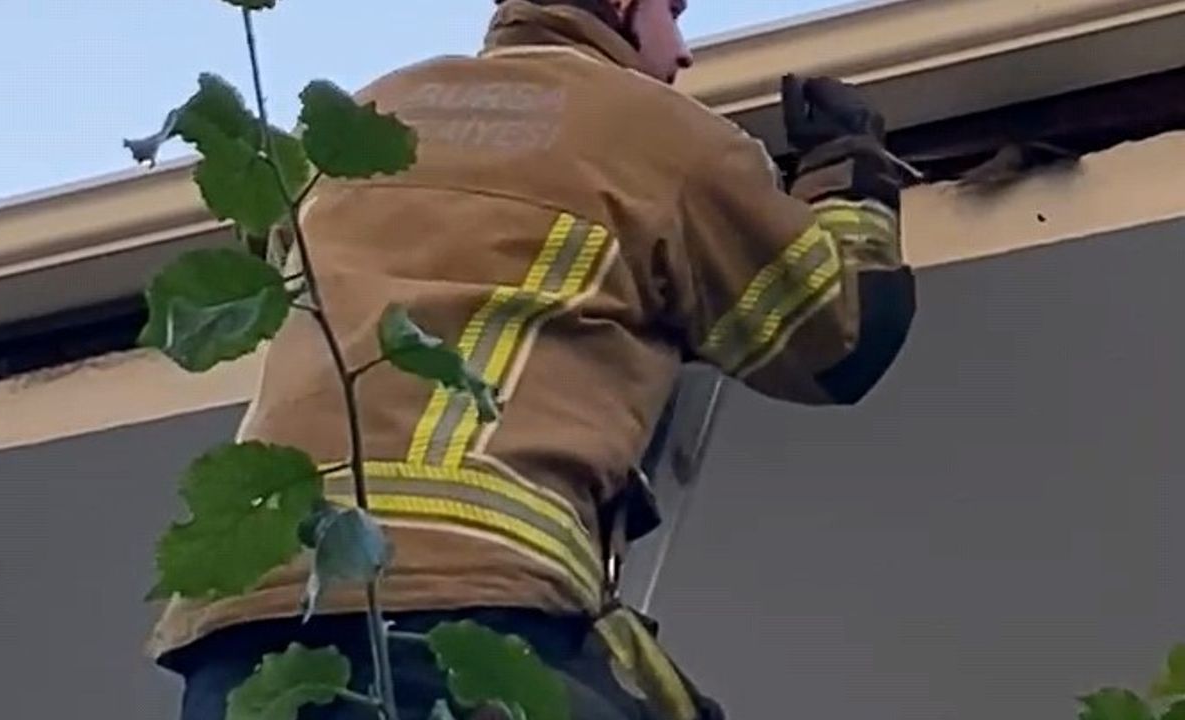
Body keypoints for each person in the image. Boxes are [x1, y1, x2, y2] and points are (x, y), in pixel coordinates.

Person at [149, 0, 917, 718]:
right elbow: (840, 336)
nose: (683, 53)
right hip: (473, 598)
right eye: (672, 10)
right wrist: (848, 171)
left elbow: (276, 257)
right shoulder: (661, 134)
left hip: (243, 625)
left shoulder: (366, 117)